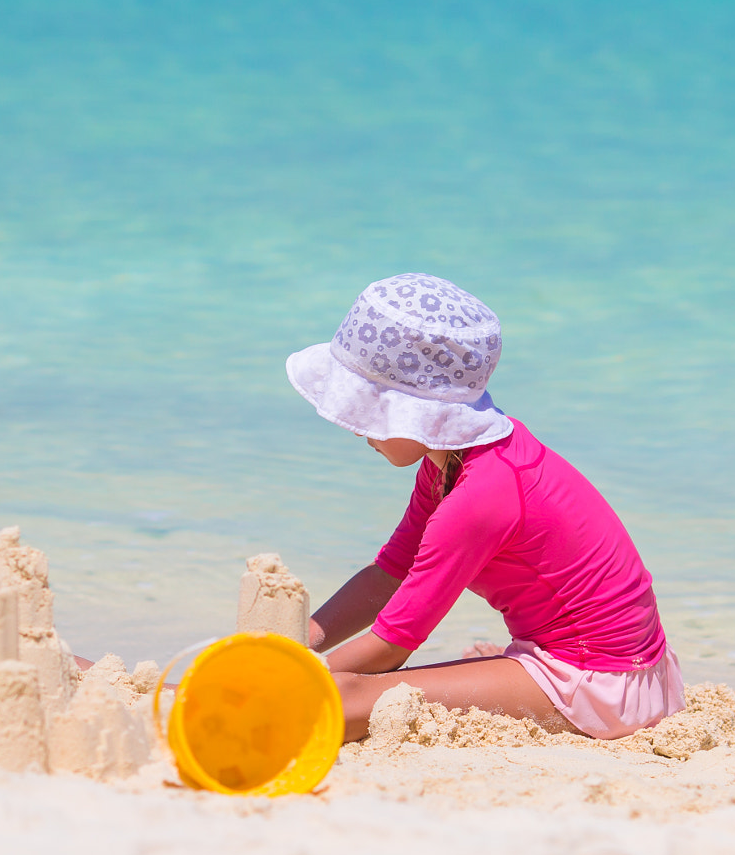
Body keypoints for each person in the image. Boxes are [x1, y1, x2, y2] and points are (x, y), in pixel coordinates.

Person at [287, 273, 683, 741]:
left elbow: (393, 643)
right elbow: (389, 574)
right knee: (327, 681)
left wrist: (282, 676)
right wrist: (295, 641)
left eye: (369, 413)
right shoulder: (449, 463)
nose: (356, 429)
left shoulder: (480, 496)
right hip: (613, 664)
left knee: (336, 697)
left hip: (604, 682)